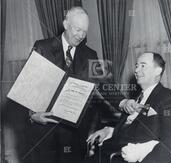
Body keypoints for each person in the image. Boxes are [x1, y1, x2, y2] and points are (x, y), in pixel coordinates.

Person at [27, 6, 123, 163]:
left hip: (75, 136)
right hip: (44, 134)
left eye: (85, 32)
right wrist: (32, 115)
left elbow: (105, 85)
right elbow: (27, 87)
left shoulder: (90, 54)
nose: (81, 36)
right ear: (65, 24)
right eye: (77, 30)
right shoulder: (42, 48)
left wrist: (123, 102)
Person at [83, 52, 171, 163]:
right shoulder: (134, 99)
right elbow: (138, 130)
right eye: (136, 66)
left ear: (158, 71)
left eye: (143, 66)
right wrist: (111, 131)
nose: (136, 70)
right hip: (106, 155)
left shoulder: (168, 98)